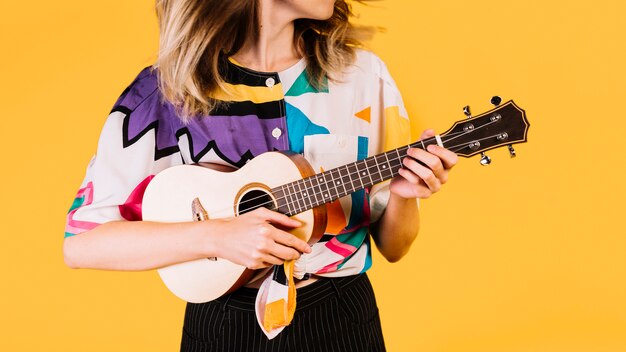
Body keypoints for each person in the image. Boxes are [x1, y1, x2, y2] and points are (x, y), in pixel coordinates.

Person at [63, 0, 458, 350]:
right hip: (220, 324)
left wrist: (406, 194)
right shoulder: (165, 93)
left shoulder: (364, 78)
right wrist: (219, 236)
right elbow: (82, 244)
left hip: (341, 314)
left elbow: (395, 247)